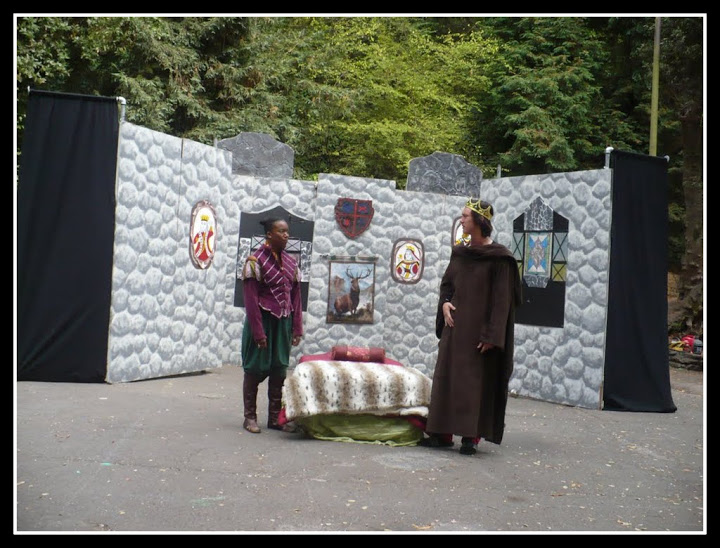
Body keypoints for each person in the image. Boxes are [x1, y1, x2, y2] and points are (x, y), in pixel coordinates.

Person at [420, 198, 522, 455]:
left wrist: (492, 335)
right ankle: (441, 434)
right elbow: (447, 285)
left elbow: (502, 301)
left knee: (473, 385)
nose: (462, 219)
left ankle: (470, 437)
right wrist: (445, 304)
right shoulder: (460, 253)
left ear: (479, 221)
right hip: (454, 330)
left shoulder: (500, 259)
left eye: (466, 216)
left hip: (479, 334)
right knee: (446, 380)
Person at [241, 217, 303, 434]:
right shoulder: (255, 261)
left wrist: (297, 328)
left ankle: (275, 418)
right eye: (281, 231)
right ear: (269, 234)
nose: (286, 235)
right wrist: (258, 332)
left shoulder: (291, 263)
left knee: (279, 369)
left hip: (283, 323)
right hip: (262, 321)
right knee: (254, 369)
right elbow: (250, 300)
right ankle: (250, 417)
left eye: (287, 232)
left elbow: (296, 298)